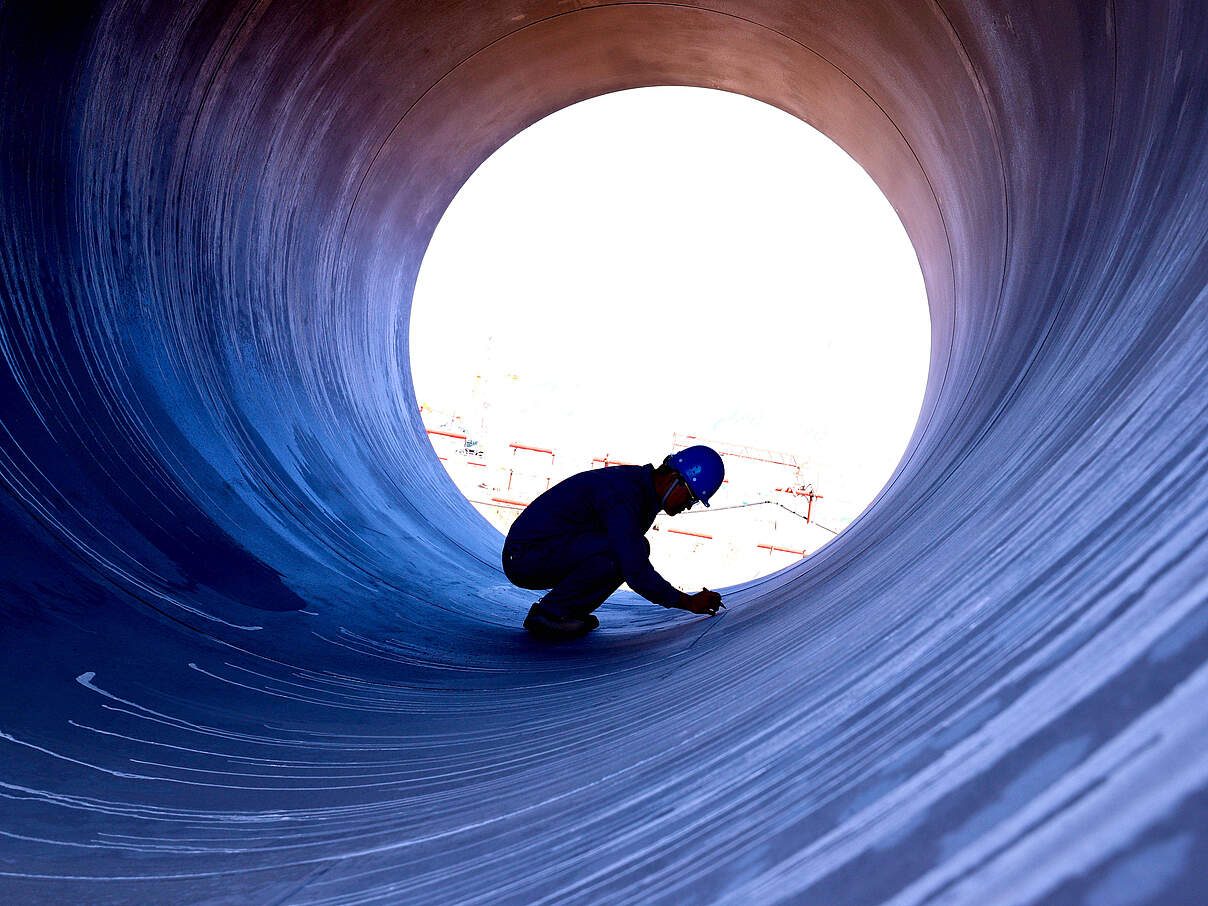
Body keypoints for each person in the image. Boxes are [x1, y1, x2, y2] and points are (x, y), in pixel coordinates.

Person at [502, 445, 726, 639]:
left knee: (633, 548)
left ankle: (567, 612)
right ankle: (551, 615)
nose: (689, 505)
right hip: (525, 556)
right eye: (692, 498)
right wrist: (687, 603)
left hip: (541, 550)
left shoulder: (641, 490)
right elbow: (635, 572)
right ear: (673, 480)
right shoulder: (626, 493)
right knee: (624, 553)